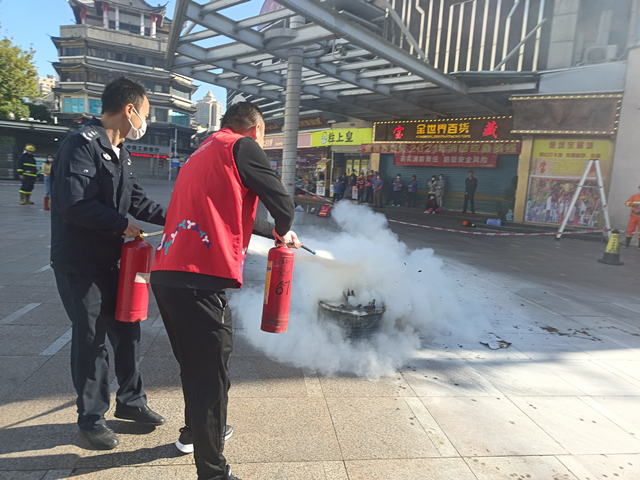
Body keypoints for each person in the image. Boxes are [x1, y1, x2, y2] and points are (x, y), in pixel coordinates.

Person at [150, 102, 300, 480]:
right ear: (256, 130)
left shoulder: (202, 150)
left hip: (167, 273)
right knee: (212, 379)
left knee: (195, 365)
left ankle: (195, 432)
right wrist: (285, 226)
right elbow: (283, 203)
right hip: (200, 278)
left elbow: (230, 211)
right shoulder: (242, 146)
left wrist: (276, 232)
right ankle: (214, 472)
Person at [50, 77, 167, 451]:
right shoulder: (81, 145)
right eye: (145, 113)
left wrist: (180, 218)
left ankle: (131, 402)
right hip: (80, 264)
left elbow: (139, 202)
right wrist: (121, 224)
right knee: (92, 339)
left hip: (114, 262)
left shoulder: (121, 153)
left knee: (128, 330)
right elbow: (73, 205)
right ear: (129, 110)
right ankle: (92, 418)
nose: (145, 121)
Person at [623, 184, 640, 249]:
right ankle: (626, 244)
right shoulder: (634, 196)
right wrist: (633, 204)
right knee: (630, 229)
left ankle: (639, 246)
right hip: (633, 215)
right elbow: (626, 203)